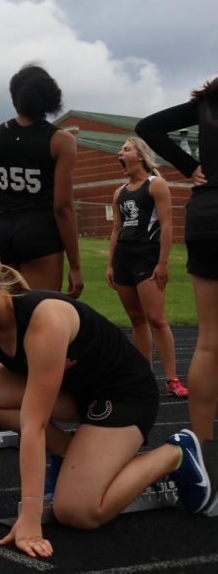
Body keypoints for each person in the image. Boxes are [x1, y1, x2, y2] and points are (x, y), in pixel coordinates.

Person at [0, 245, 215, 558]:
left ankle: (176, 454)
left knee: (78, 511)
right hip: (74, 391)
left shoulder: (45, 320)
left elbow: (35, 424)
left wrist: (30, 517)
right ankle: (71, 454)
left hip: (123, 396)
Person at [136, 77, 218, 443]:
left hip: (205, 217)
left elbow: (147, 127)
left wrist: (190, 167)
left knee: (209, 341)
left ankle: (200, 449)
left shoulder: (208, 104)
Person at [0, 64, 83, 297]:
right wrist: (75, 266)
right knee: (41, 313)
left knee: (6, 317)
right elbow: (62, 207)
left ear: (14, 97)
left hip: (1, 232)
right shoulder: (61, 140)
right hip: (40, 233)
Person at [107, 137, 187, 398]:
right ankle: (144, 376)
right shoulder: (119, 192)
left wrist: (162, 263)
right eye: (121, 149)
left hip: (147, 258)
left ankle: (173, 379)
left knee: (156, 319)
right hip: (124, 259)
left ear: (140, 156)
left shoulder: (156, 184)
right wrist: (110, 263)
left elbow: (167, 225)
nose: (121, 153)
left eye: (126, 149)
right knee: (137, 320)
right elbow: (116, 230)